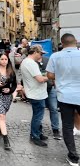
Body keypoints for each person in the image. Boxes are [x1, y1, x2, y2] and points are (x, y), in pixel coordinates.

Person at [46, 33, 80, 166]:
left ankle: (73, 157)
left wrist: (61, 76)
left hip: (64, 96)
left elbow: (49, 75)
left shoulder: (55, 56)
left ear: (62, 43)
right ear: (75, 41)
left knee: (67, 126)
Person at [20, 45, 49, 147]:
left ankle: (38, 133)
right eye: (41, 53)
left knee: (37, 115)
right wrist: (48, 77)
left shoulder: (26, 62)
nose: (41, 56)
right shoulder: (31, 63)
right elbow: (40, 79)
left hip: (34, 93)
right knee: (38, 116)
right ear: (35, 52)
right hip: (36, 94)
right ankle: (35, 136)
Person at [38, 55, 62, 140]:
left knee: (54, 108)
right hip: (39, 89)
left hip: (50, 87)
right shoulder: (31, 61)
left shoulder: (47, 60)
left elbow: (54, 72)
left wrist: (55, 83)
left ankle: (56, 129)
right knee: (40, 109)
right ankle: (39, 129)